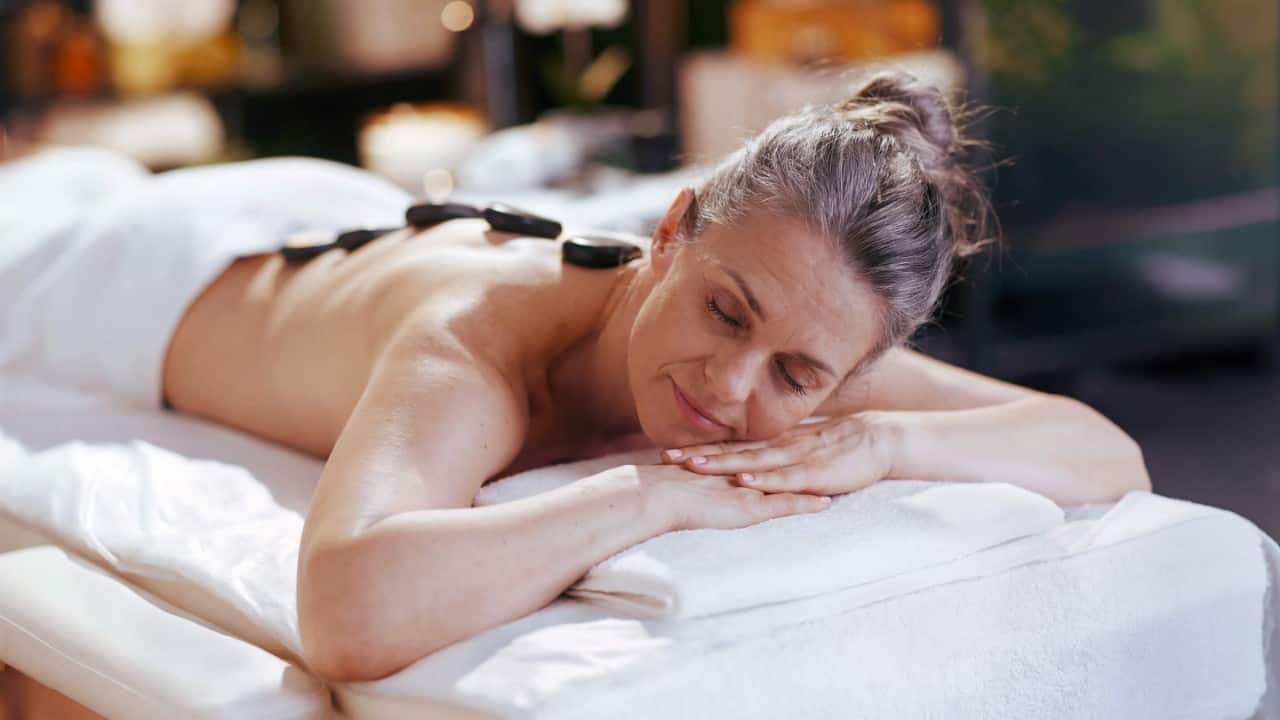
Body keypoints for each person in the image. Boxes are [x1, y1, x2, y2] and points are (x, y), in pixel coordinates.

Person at [0, 71, 1150, 684]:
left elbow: (1104, 453)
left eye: (799, 375)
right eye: (720, 307)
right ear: (672, 230)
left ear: (855, 367)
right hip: (144, 270)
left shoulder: (805, 343)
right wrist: (647, 494)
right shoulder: (480, 345)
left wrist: (893, 440)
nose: (729, 381)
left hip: (349, 218)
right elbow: (347, 609)